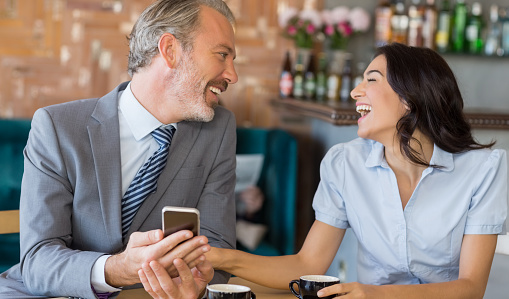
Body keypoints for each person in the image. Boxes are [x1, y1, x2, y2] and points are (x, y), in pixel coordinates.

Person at [140, 42, 508, 299]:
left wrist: (374, 295)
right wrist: (216, 256)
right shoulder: (344, 164)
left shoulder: (483, 169)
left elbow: (470, 288)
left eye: (372, 79)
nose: (355, 92)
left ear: (410, 97)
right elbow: (306, 264)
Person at [0, 0, 239, 299]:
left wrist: (199, 282)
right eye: (222, 55)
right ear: (170, 50)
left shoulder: (218, 129)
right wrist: (115, 269)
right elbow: (37, 261)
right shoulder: (56, 128)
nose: (232, 74)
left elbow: (218, 249)